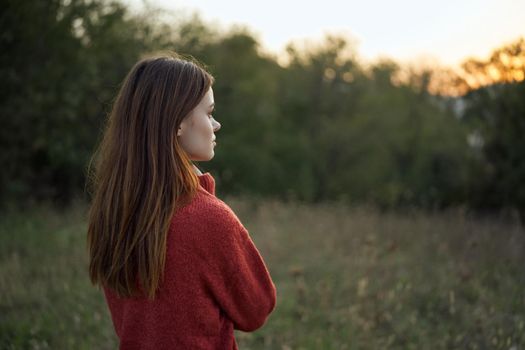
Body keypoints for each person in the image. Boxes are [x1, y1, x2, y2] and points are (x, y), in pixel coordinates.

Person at [86, 52, 277, 349]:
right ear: (176, 123)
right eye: (209, 113)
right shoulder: (208, 218)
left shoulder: (114, 210)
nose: (216, 125)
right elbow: (257, 308)